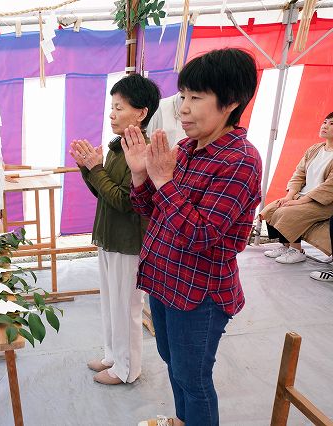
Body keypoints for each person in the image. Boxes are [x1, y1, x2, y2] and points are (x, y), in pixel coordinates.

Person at [122, 48, 262, 426]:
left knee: (194, 379)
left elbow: (200, 234)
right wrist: (140, 176)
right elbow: (155, 211)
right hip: (165, 280)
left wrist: (163, 181)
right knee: (174, 364)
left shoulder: (240, 160)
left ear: (231, 103)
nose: (182, 107)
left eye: (196, 98)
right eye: (183, 95)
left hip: (200, 293)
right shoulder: (184, 149)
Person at [68, 74, 161, 385]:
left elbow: (125, 201)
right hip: (109, 236)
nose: (112, 113)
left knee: (127, 309)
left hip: (129, 241)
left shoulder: (143, 151)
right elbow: (104, 194)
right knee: (110, 303)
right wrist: (89, 168)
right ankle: (112, 356)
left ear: (142, 112)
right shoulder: (117, 147)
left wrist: (95, 169)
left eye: (119, 107)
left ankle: (128, 369)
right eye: (111, 107)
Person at [260, 112, 333, 264]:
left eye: (331, 124)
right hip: (302, 195)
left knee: (289, 213)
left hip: (323, 202)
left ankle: (297, 250)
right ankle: (286, 246)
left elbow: (329, 187)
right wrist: (290, 196)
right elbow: (299, 174)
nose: (325, 126)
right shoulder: (314, 149)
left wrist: (301, 201)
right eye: (325, 122)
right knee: (272, 208)